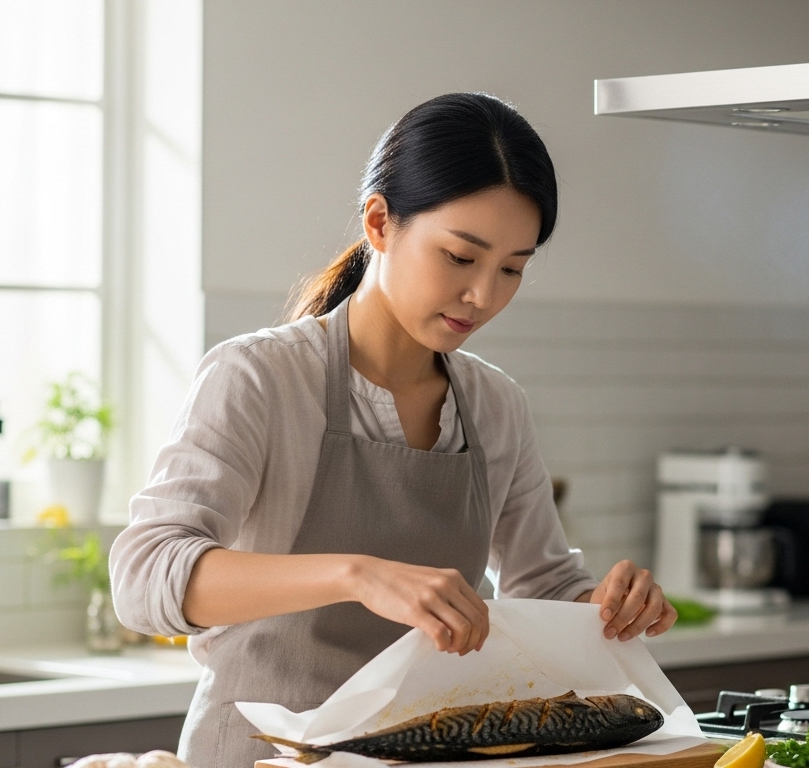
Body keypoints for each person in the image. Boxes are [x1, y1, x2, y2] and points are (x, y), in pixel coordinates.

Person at [109, 93, 677, 768]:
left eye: (512, 269)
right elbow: (143, 579)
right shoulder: (259, 377)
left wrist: (607, 606)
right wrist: (357, 575)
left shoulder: (495, 405)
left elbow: (543, 589)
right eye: (460, 257)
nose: (484, 296)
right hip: (263, 757)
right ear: (380, 222)